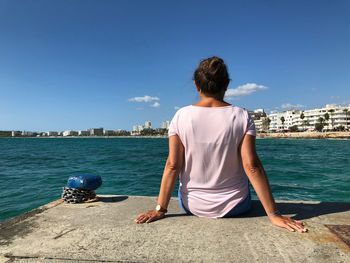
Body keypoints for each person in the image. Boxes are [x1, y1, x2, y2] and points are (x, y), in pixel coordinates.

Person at [135, 56, 306, 233]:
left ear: (196, 85)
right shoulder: (242, 116)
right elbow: (252, 166)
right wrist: (274, 214)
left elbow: (173, 165)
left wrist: (160, 209)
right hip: (236, 206)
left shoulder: (181, 116)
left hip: (192, 205)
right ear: (226, 85)